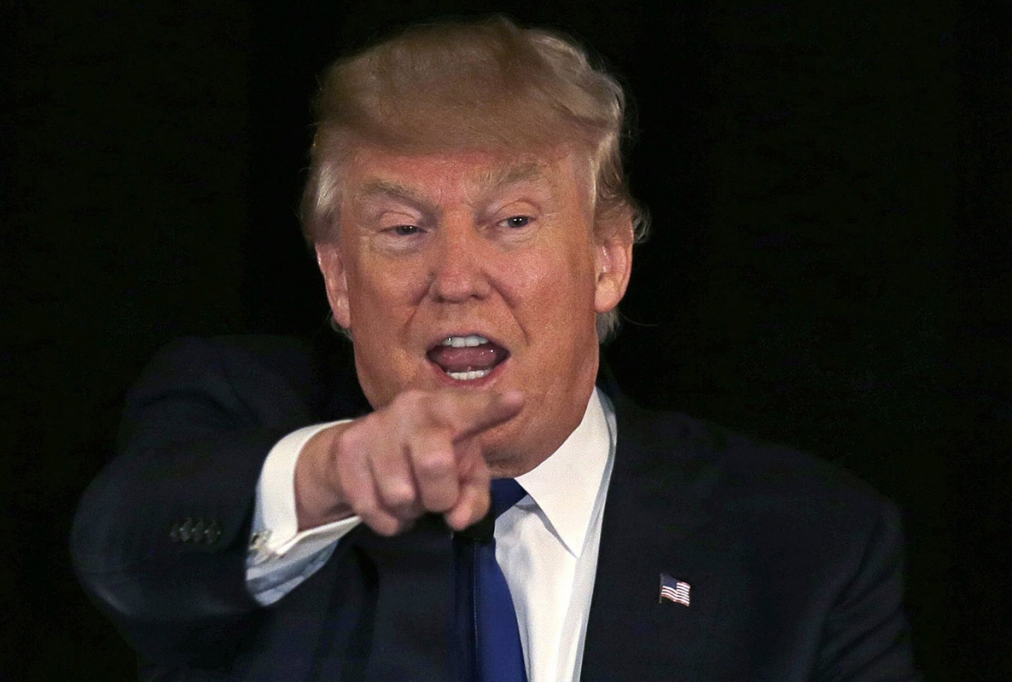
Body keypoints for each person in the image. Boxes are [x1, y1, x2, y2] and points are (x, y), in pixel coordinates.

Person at [71, 16, 920, 682]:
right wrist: (333, 472)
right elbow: (130, 545)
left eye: (511, 222)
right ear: (337, 276)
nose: (456, 279)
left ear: (607, 258)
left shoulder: (806, 545)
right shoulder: (234, 408)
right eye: (403, 229)